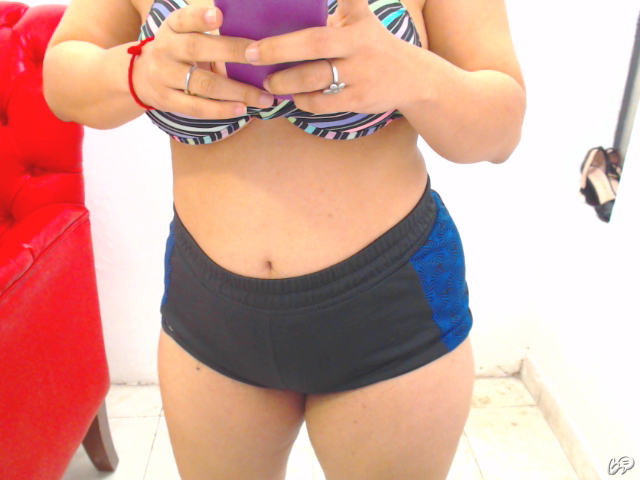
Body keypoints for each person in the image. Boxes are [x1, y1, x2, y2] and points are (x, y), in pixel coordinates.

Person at [43, 0, 526, 477]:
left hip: (389, 307)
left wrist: (412, 74)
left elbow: (501, 130)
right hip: (210, 314)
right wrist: (137, 71)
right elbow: (62, 79)